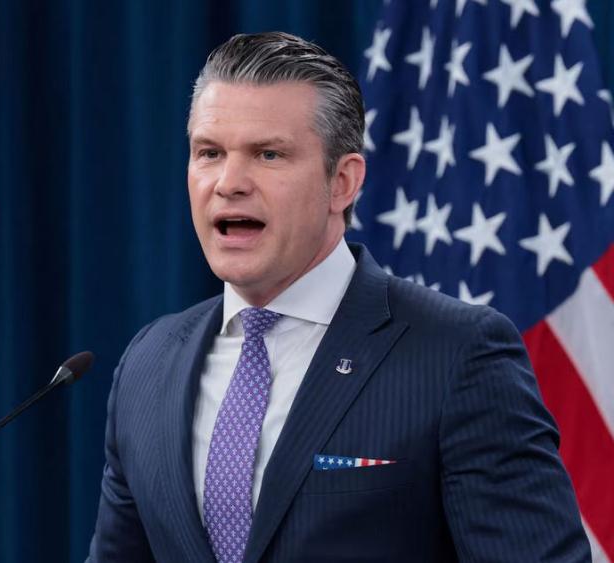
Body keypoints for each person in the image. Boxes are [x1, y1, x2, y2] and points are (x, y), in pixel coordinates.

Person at [88, 32, 590, 562]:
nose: (229, 182)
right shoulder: (147, 364)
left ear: (343, 182)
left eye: (268, 154)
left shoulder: (458, 354)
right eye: (209, 153)